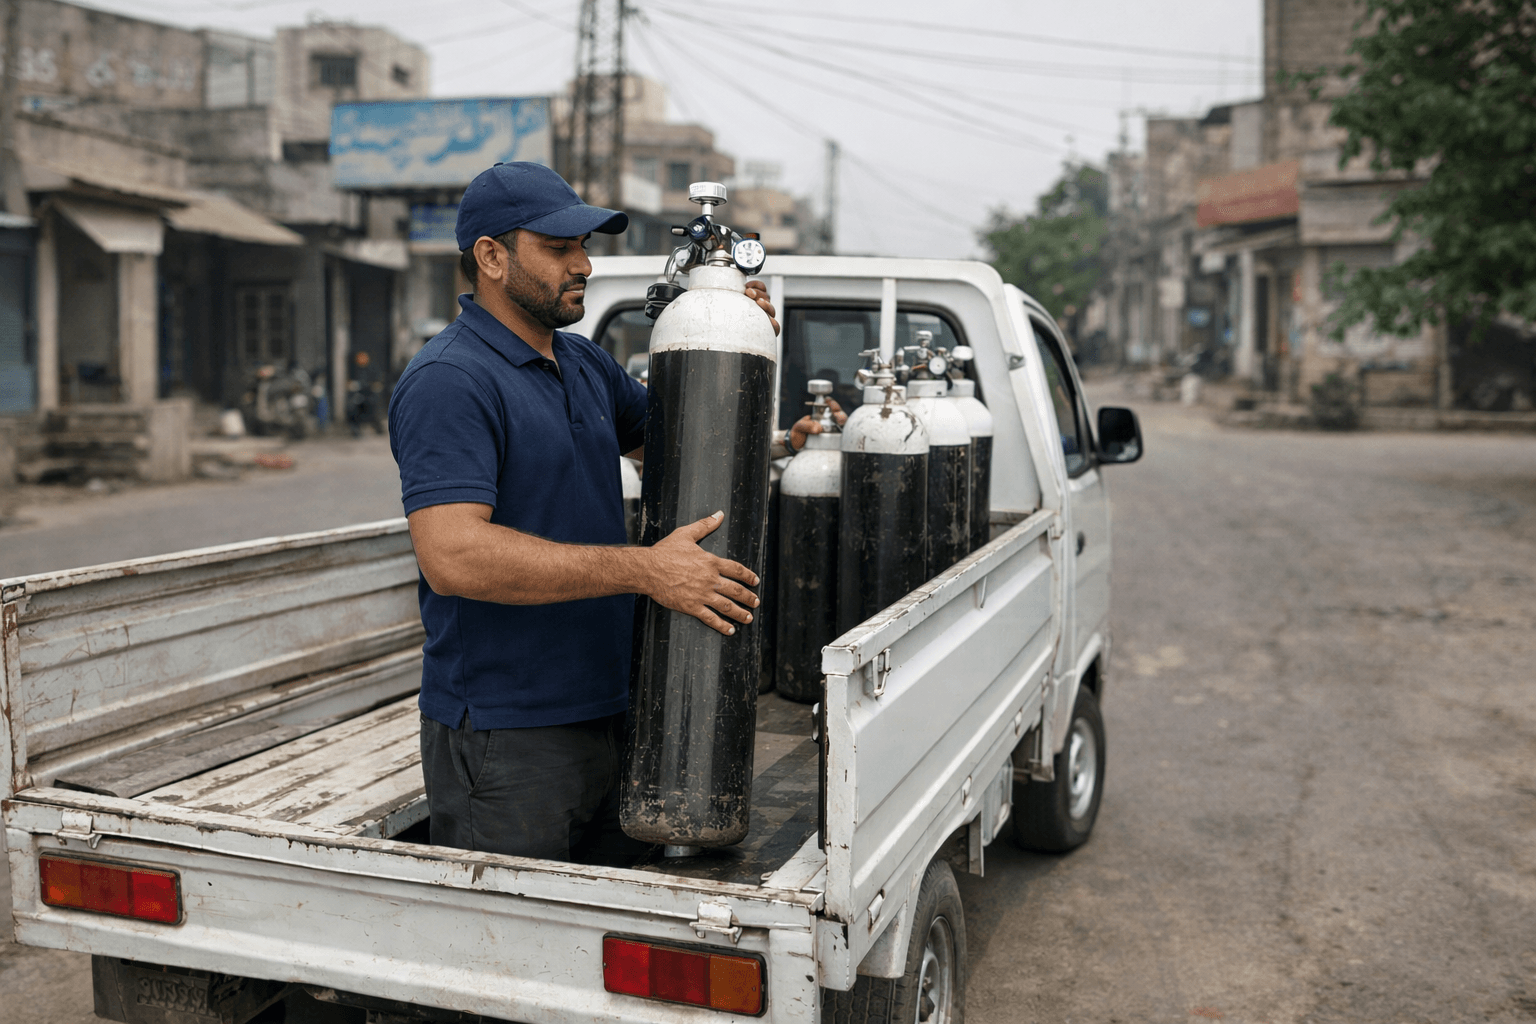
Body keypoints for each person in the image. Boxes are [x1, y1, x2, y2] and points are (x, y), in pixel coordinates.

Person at [391, 162, 823, 866]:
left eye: (583, 246)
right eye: (559, 249)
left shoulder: (582, 363)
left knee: (607, 940)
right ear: (492, 257)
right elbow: (453, 556)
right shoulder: (451, 381)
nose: (583, 264)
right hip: (510, 737)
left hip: (612, 713)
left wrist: (733, 347)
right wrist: (646, 571)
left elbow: (678, 448)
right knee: (517, 955)